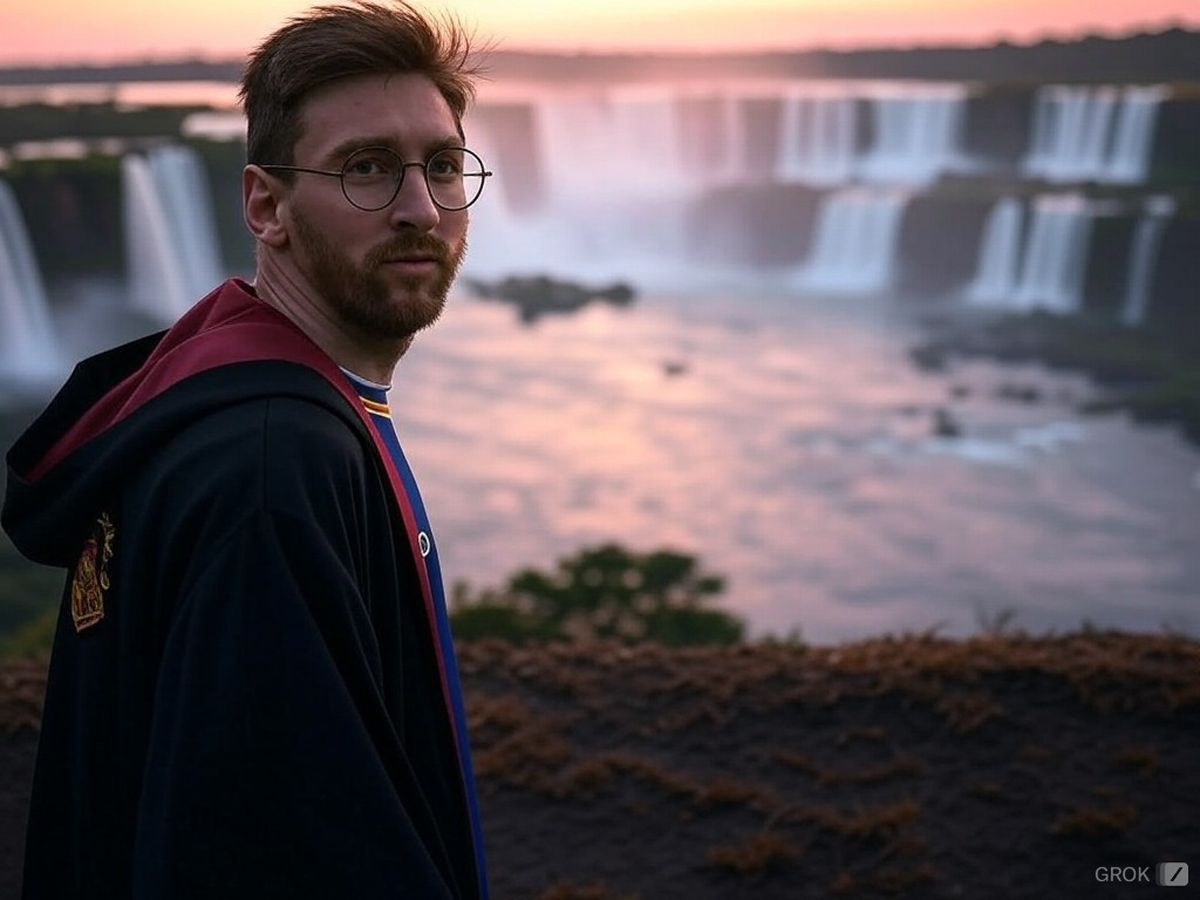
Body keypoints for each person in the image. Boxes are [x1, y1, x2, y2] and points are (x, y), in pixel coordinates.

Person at [1, 3, 492, 897]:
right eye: (367, 168)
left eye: (444, 166)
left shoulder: (232, 412)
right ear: (266, 204)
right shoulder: (274, 468)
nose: (420, 207)